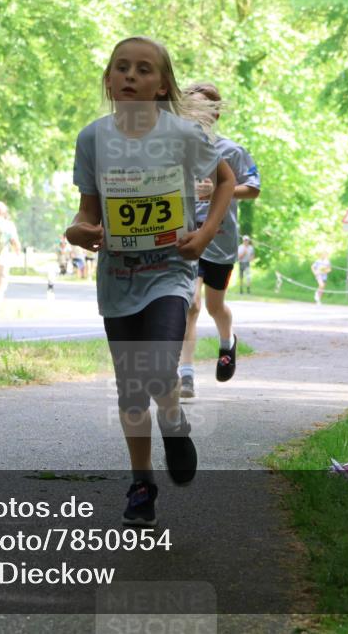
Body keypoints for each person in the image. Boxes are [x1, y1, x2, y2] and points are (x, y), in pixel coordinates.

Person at [65, 36, 235, 527]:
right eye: (122, 68)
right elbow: (87, 211)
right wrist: (79, 230)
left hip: (170, 273)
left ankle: (175, 425)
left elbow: (225, 181)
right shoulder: (92, 138)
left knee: (159, 367)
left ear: (162, 85)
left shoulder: (182, 135)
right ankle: (142, 483)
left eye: (143, 70)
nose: (131, 76)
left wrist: (203, 236)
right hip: (118, 278)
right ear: (109, 79)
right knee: (131, 391)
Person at [176, 82, 261, 400]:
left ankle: (228, 341)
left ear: (215, 112)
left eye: (200, 108)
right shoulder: (175, 148)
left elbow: (253, 188)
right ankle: (186, 375)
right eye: (188, 108)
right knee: (191, 305)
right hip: (186, 237)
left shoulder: (232, 150)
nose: (194, 115)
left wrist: (220, 191)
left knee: (214, 306)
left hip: (221, 241)